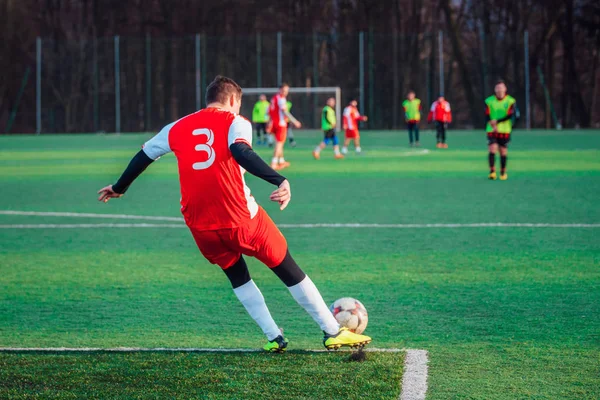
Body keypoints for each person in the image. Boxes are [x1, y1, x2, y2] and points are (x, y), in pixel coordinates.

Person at [97, 76, 371, 353]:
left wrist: (119, 187)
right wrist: (279, 180)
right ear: (232, 100)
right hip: (240, 218)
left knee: (237, 275)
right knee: (287, 267)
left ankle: (274, 336)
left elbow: (143, 155)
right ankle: (332, 330)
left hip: (200, 226)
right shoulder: (235, 122)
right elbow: (240, 150)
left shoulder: (176, 127)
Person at [486, 80, 518, 180]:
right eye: (498, 88)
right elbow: (486, 114)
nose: (500, 90)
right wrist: (492, 123)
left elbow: (510, 115)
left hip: (505, 130)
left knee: (503, 151)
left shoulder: (510, 101)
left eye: (501, 88)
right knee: (492, 148)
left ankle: (503, 172)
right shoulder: (489, 101)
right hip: (492, 129)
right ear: (495, 90)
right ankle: (492, 172)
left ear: (505, 89)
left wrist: (497, 121)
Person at [268, 83, 301, 170]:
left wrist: (270, 122)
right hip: (281, 124)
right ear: (280, 90)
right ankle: (274, 163)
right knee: (279, 144)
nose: (285, 92)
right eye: (284, 90)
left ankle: (281, 161)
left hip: (275, 123)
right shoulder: (281, 99)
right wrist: (295, 121)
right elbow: (285, 112)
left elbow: (269, 111)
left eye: (287, 91)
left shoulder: (274, 98)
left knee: (280, 143)